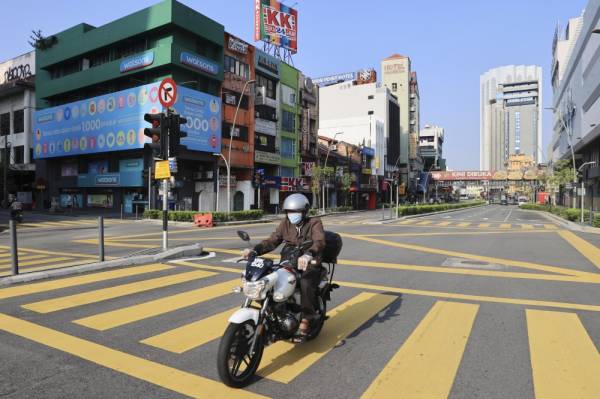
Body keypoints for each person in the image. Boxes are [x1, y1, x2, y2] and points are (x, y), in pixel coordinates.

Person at [242, 193, 325, 338]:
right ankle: (276, 311)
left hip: (309, 261)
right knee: (269, 278)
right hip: (289, 259)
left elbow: (319, 241)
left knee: (305, 282)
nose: (292, 214)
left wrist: (309, 254)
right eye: (289, 212)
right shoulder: (285, 224)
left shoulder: (314, 223)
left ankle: (307, 316)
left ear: (304, 211)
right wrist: (254, 250)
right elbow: (272, 241)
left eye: (296, 212)